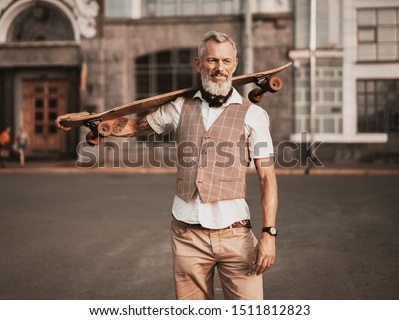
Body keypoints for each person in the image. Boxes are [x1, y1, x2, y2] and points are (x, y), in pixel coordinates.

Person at [57, 31, 278, 300]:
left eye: (226, 61)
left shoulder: (254, 115)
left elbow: (267, 179)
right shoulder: (178, 108)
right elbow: (135, 126)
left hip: (236, 235)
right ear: (198, 64)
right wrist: (93, 122)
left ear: (235, 65)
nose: (219, 68)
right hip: (187, 237)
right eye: (211, 60)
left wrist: (269, 234)